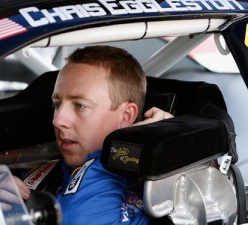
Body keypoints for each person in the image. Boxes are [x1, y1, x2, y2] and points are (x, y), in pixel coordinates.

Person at [13, 45, 173, 224]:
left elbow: (80, 219)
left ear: (125, 116)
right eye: (57, 105)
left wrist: (122, 151)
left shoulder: (157, 196)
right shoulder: (34, 175)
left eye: (80, 105)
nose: (58, 120)